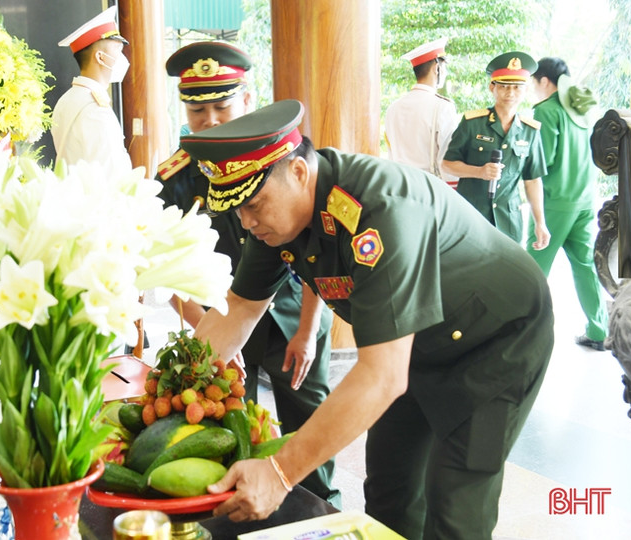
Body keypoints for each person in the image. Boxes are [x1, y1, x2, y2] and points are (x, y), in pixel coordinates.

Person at [179, 100, 554, 540]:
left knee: (456, 506)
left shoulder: (380, 208)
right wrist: (172, 388)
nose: (247, 221)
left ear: (298, 173)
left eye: (255, 205)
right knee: (390, 493)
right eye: (238, 209)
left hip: (494, 340)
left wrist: (279, 473)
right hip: (412, 345)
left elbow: (382, 376)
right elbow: (240, 308)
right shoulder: (274, 218)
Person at [155, 42, 340, 507]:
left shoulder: (282, 156)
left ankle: (323, 511)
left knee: (309, 418)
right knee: (236, 427)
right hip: (223, 315)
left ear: (247, 98)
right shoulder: (175, 178)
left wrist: (309, 328)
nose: (212, 120)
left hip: (295, 311)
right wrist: (210, 336)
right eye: (198, 111)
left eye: (222, 105)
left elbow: (318, 245)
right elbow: (167, 271)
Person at [530, 57, 608, 351]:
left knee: (533, 269)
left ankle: (522, 330)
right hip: (586, 200)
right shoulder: (583, 109)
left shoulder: (546, 112)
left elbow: (542, 162)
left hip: (554, 205)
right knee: (586, 265)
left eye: (533, 82)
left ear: (545, 82)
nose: (532, 89)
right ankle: (599, 331)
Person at [442, 51, 551, 250]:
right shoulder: (472, 124)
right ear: (492, 87)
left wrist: (540, 223)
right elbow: (448, 164)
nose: (510, 93)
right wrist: (479, 172)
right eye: (504, 86)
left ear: (525, 90)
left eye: (517, 87)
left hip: (508, 220)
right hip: (471, 215)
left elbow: (533, 180)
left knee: (506, 277)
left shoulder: (530, 131)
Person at [52, 5, 132, 175]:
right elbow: (110, 174)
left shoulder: (67, 100)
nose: (122, 57)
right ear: (100, 57)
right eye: (118, 50)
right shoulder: (95, 109)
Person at [384, 37, 459, 188]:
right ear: (437, 68)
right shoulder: (442, 107)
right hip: (430, 189)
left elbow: (391, 155)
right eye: (444, 67)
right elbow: (447, 159)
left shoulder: (393, 108)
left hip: (400, 187)